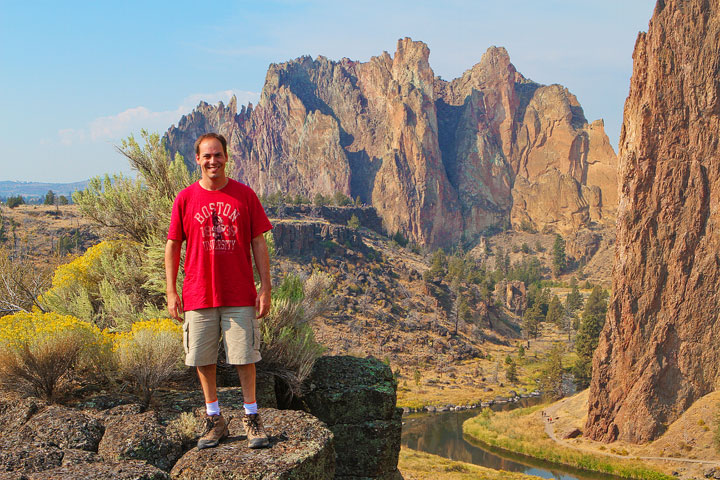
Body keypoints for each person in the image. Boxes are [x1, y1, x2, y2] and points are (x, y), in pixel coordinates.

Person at [165, 132, 272, 449]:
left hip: (238, 292)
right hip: (199, 293)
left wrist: (265, 287)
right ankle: (215, 420)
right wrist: (171, 292)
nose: (213, 161)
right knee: (202, 358)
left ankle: (251, 418)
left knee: (244, 357)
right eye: (206, 156)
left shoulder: (244, 196)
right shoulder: (185, 199)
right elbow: (172, 246)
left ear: (227, 157)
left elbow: (258, 242)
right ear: (197, 160)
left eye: (218, 155)